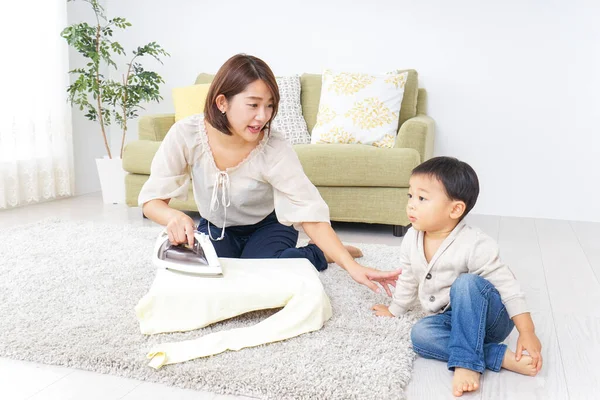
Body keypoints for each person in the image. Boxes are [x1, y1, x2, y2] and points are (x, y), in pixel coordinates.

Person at [139, 53, 400, 295]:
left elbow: (309, 212)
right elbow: (152, 201)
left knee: (263, 273)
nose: (262, 117)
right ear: (222, 102)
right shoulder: (186, 134)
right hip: (217, 227)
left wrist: (350, 266)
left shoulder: (274, 147)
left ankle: (322, 253)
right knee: (209, 274)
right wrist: (173, 216)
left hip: (269, 225)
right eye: (253, 105)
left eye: (270, 106)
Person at [372, 156, 543, 397]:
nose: (411, 204)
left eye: (422, 198)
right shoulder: (412, 237)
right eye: (410, 196)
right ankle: (498, 356)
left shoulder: (474, 243)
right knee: (420, 335)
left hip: (490, 318)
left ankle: (466, 364)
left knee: (466, 283)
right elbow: (409, 276)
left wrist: (527, 332)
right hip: (453, 319)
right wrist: (395, 309)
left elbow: (509, 287)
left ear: (455, 209)